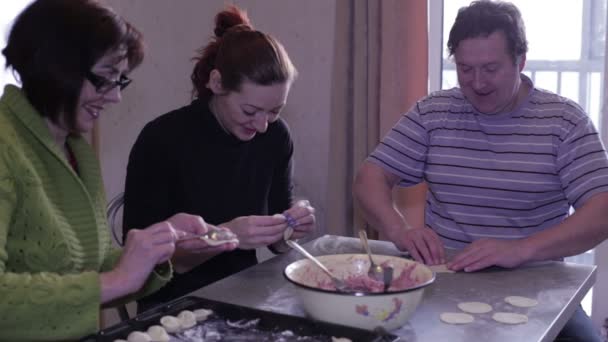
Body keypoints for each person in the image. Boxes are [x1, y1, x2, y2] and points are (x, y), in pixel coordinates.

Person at [353, 1, 607, 341]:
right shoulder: (434, 112)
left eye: (490, 69)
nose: (477, 83)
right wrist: (399, 230)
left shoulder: (564, 121)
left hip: (538, 287)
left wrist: (520, 249)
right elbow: (370, 178)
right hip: (443, 281)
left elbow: (602, 210)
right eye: (465, 69)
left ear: (521, 61)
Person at [0, 0, 233, 340]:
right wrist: (116, 280)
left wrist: (159, 249)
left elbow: (84, 270)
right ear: (53, 66)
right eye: (104, 79)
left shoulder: (74, 148)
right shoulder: (6, 146)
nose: (115, 98)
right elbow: (101, 283)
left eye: (120, 81)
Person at [123, 5, 316, 312]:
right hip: (172, 305)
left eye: (275, 111)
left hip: (244, 294)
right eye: (250, 111)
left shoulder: (276, 137)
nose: (262, 125)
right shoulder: (162, 140)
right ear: (216, 83)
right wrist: (225, 236)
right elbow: (145, 264)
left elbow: (277, 242)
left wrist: (292, 224)